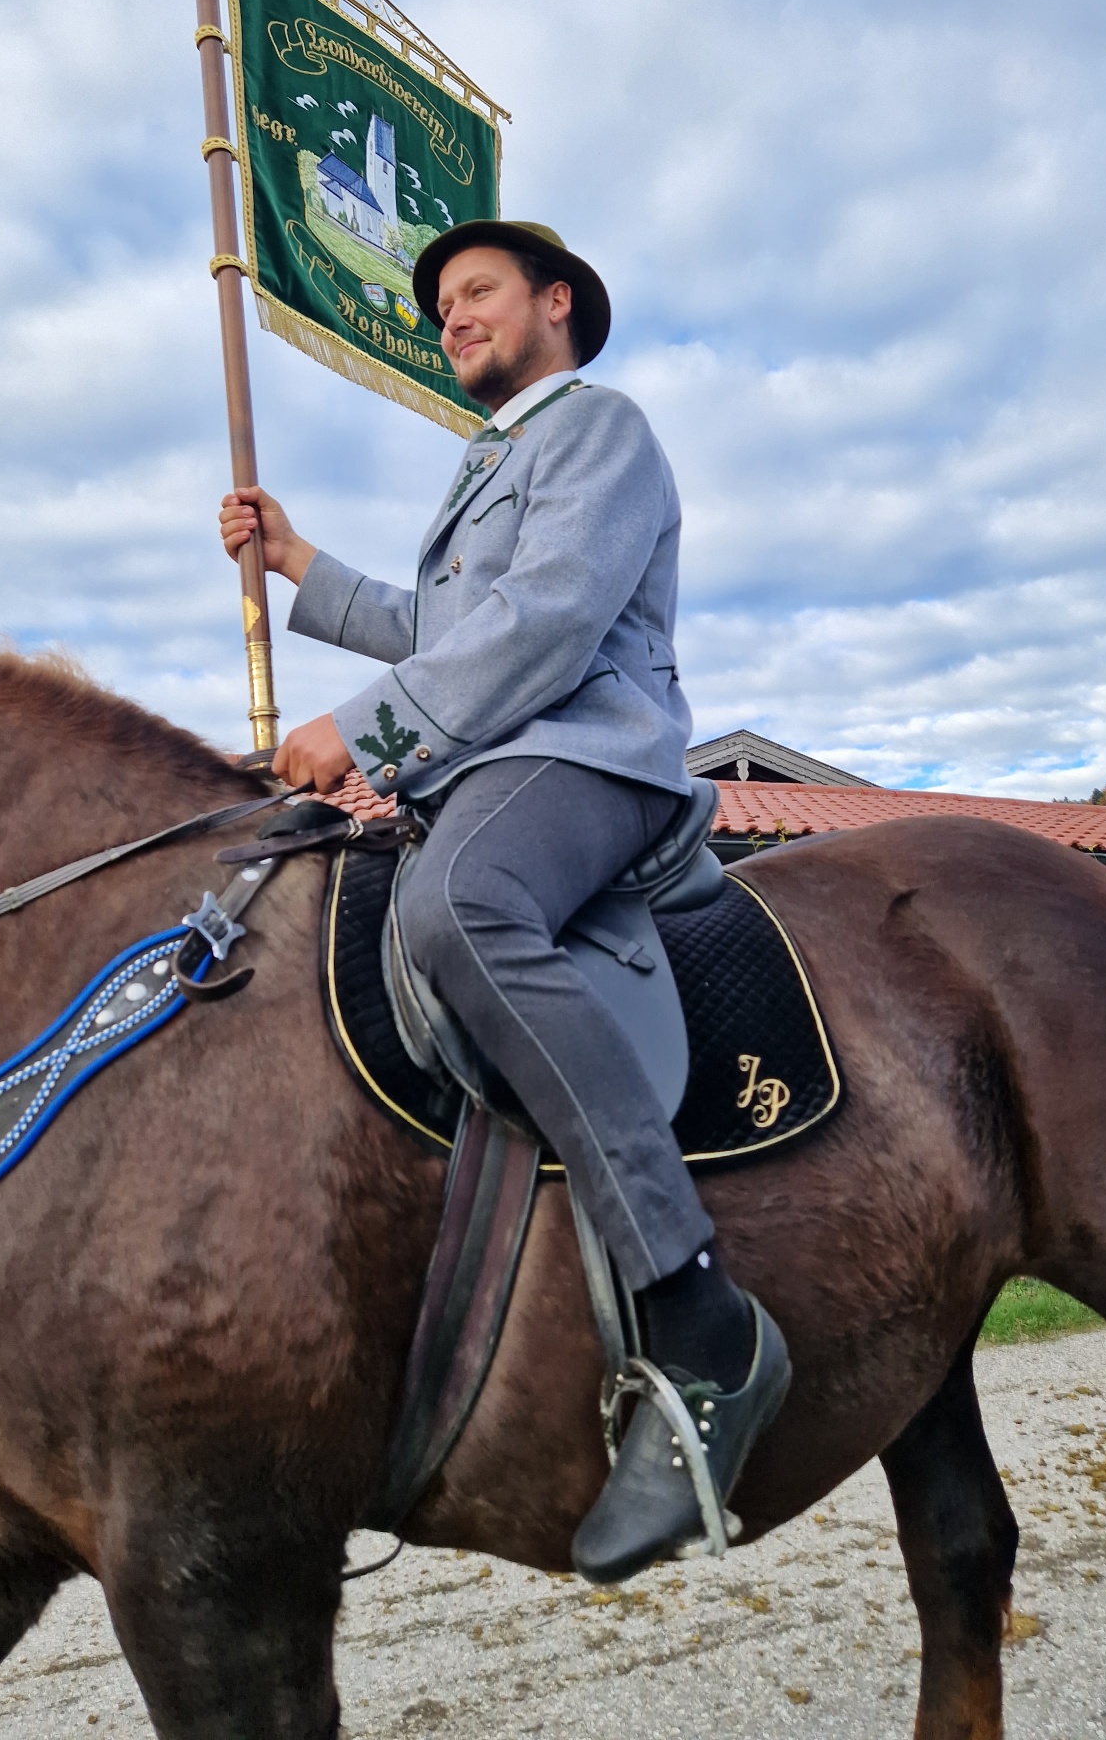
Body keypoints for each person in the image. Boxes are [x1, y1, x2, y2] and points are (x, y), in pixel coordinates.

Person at [218, 220, 789, 1581]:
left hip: (592, 756)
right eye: (442, 306)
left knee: (459, 907)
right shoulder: (490, 464)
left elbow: (547, 623)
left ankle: (699, 1316)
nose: (451, 317)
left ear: (557, 304)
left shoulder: (600, 429)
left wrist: (365, 730)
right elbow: (455, 626)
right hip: (494, 760)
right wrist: (299, 563)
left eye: (477, 292)